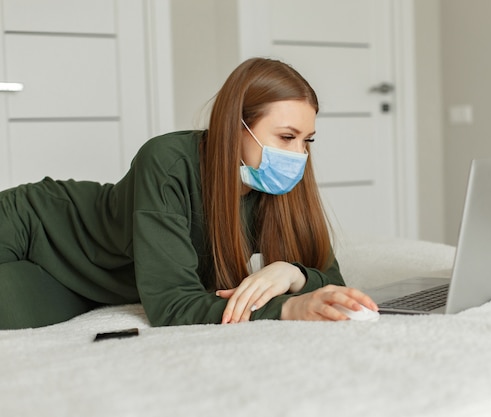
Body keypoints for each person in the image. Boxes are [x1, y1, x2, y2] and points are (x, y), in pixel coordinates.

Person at [0, 57, 378, 330]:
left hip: (102, 285)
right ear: (237, 127)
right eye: (286, 137)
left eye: (307, 140)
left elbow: (332, 283)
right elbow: (172, 307)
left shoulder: (282, 189)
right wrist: (288, 309)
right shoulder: (167, 162)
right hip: (33, 226)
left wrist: (292, 274)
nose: (299, 155)